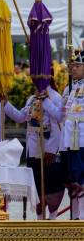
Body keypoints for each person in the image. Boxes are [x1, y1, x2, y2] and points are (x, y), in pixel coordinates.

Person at [0, 82, 65, 220]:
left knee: (51, 188)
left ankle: (53, 218)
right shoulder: (31, 99)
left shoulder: (54, 97)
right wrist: (5, 103)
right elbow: (19, 116)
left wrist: (52, 150)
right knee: (36, 188)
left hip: (47, 150)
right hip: (33, 149)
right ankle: (40, 219)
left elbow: (58, 126)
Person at [42, 50, 84, 220]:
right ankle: (75, 216)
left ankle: (81, 217)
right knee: (71, 179)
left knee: (81, 178)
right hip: (67, 142)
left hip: (81, 141)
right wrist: (45, 100)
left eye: (78, 66)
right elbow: (60, 116)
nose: (73, 69)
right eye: (72, 66)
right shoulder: (69, 89)